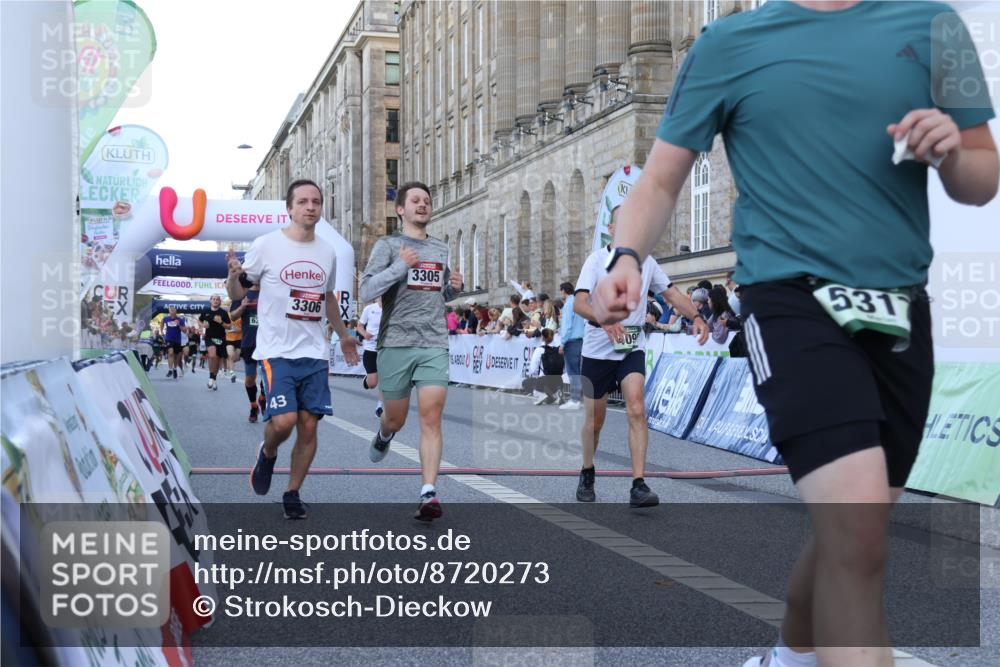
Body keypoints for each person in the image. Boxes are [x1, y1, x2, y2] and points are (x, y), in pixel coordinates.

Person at [587, 2, 997, 665]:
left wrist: (952, 148)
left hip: (899, 310)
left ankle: (791, 655)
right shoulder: (727, 43)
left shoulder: (933, 25)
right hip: (789, 300)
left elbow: (981, 176)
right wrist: (626, 257)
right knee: (857, 532)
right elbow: (660, 178)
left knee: (853, 532)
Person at [227, 179, 360, 519]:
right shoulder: (266, 245)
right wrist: (234, 276)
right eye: (303, 201)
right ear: (290, 208)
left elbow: (327, 297)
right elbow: (238, 293)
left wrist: (343, 335)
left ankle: (292, 492)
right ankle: (268, 452)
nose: (311, 207)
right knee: (284, 422)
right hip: (276, 351)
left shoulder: (328, 251)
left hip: (314, 352)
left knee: (310, 425)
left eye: (316, 201)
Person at [574, 206, 709, 508]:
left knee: (637, 408)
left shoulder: (646, 262)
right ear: (610, 228)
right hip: (597, 348)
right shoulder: (596, 261)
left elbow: (672, 295)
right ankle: (587, 470)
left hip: (630, 346)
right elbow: (579, 303)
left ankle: (638, 484)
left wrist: (697, 317)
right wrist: (604, 320)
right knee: (595, 421)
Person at [359, 181, 463, 521]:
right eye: (415, 200)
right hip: (395, 342)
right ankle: (385, 433)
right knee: (397, 418)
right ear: (400, 209)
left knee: (432, 417)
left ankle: (428, 492)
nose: (423, 204)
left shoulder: (440, 249)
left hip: (433, 342)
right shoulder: (387, 246)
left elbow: (437, 296)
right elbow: (367, 291)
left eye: (427, 201)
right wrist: (399, 266)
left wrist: (452, 289)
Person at [229, 283, 266, 423]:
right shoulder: (240, 294)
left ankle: (263, 397)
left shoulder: (270, 290)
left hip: (268, 343)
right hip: (249, 343)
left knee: (269, 376)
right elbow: (232, 316)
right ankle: (253, 405)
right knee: (250, 379)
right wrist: (243, 306)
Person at [558, 281, 585, 410]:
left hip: (571, 341)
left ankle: (575, 400)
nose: (560, 293)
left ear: (563, 291)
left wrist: (562, 342)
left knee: (573, 372)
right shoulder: (578, 302)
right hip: (580, 339)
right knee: (579, 371)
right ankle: (580, 399)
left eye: (560, 291)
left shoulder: (569, 304)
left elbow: (568, 326)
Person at [357, 296, 384, 418]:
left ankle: (380, 406)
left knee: (385, 379)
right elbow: (359, 326)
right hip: (370, 348)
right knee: (373, 383)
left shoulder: (393, 308)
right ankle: (367, 379)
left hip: (386, 348)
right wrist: (364, 334)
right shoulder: (369, 308)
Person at [522, 328, 564, 405]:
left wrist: (537, 377)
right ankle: (556, 394)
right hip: (559, 380)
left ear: (542, 337)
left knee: (525, 382)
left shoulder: (539, 350)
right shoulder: (558, 349)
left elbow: (533, 369)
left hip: (544, 380)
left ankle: (541, 394)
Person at [161, 307, 186, 379]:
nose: (171, 311)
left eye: (173, 310)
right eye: (170, 310)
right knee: (170, 353)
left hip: (177, 340)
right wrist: (161, 331)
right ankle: (170, 370)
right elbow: (162, 322)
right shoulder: (166, 318)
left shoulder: (180, 320)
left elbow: (184, 330)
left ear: (176, 311)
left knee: (176, 356)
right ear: (169, 312)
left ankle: (175, 369)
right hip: (169, 339)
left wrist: (179, 325)